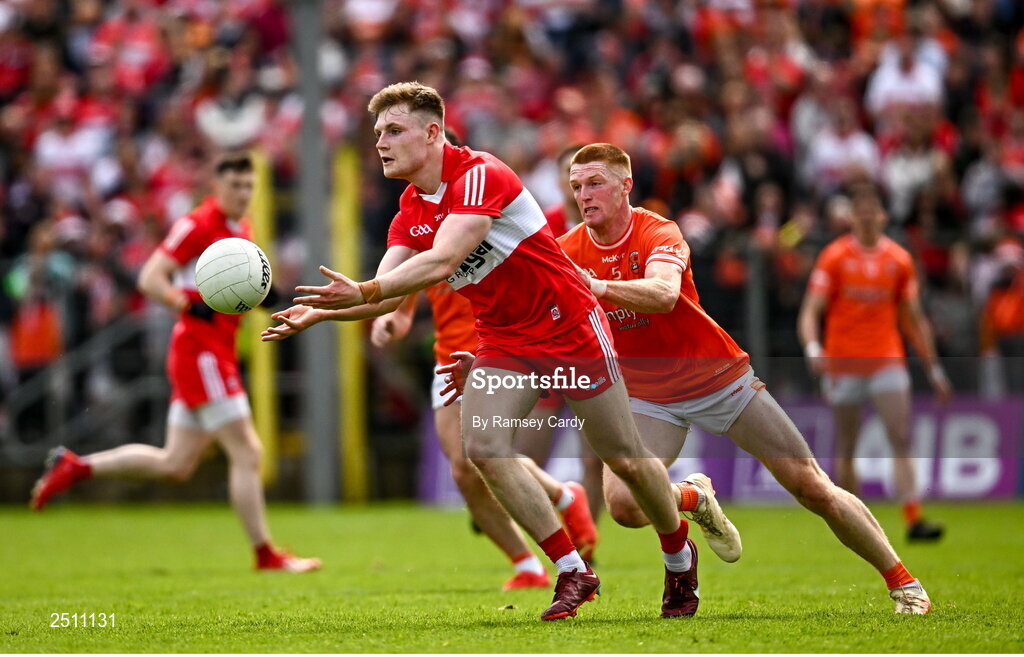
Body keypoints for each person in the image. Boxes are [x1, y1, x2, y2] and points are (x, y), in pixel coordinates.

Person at [262, 82, 737, 620]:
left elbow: (440, 263)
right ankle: (571, 570)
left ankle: (678, 558)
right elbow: (383, 290)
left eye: (394, 130)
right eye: (377, 133)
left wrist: (367, 291)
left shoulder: (481, 173)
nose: (381, 142)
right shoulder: (410, 208)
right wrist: (322, 313)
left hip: (570, 327)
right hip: (504, 341)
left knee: (625, 461)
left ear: (433, 132)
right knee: (482, 447)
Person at [442, 143, 932, 614]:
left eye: (596, 183)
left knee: (810, 486)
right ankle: (693, 497)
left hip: (716, 377)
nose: (584, 195)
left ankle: (904, 582)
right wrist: (488, 367)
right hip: (645, 396)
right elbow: (537, 322)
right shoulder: (563, 250)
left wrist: (595, 285)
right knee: (625, 506)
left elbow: (663, 294)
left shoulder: (658, 231)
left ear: (626, 185)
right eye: (576, 186)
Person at [30, 152, 321, 574]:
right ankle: (266, 555)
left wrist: (285, 303)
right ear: (215, 186)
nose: (242, 193)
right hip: (201, 351)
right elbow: (150, 277)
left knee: (176, 463)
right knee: (249, 452)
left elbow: (248, 288)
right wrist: (185, 303)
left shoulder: (240, 229)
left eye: (248, 186)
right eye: (235, 186)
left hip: (211, 350)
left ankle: (77, 467)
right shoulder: (198, 225)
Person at [370, 285, 598, 588]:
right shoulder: (416, 240)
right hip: (449, 363)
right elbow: (402, 307)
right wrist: (388, 322)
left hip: (500, 356)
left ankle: (561, 524)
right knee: (465, 470)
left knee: (484, 452)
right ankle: (533, 559)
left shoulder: (494, 236)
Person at [798, 183, 951, 542]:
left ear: (883, 216)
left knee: (899, 436)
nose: (867, 218)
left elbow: (914, 319)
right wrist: (813, 348)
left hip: (886, 360)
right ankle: (857, 524)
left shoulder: (898, 260)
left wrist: (934, 368)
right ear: (852, 217)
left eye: (872, 212)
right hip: (843, 364)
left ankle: (913, 519)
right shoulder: (834, 257)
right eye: (860, 213)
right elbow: (810, 311)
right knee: (847, 445)